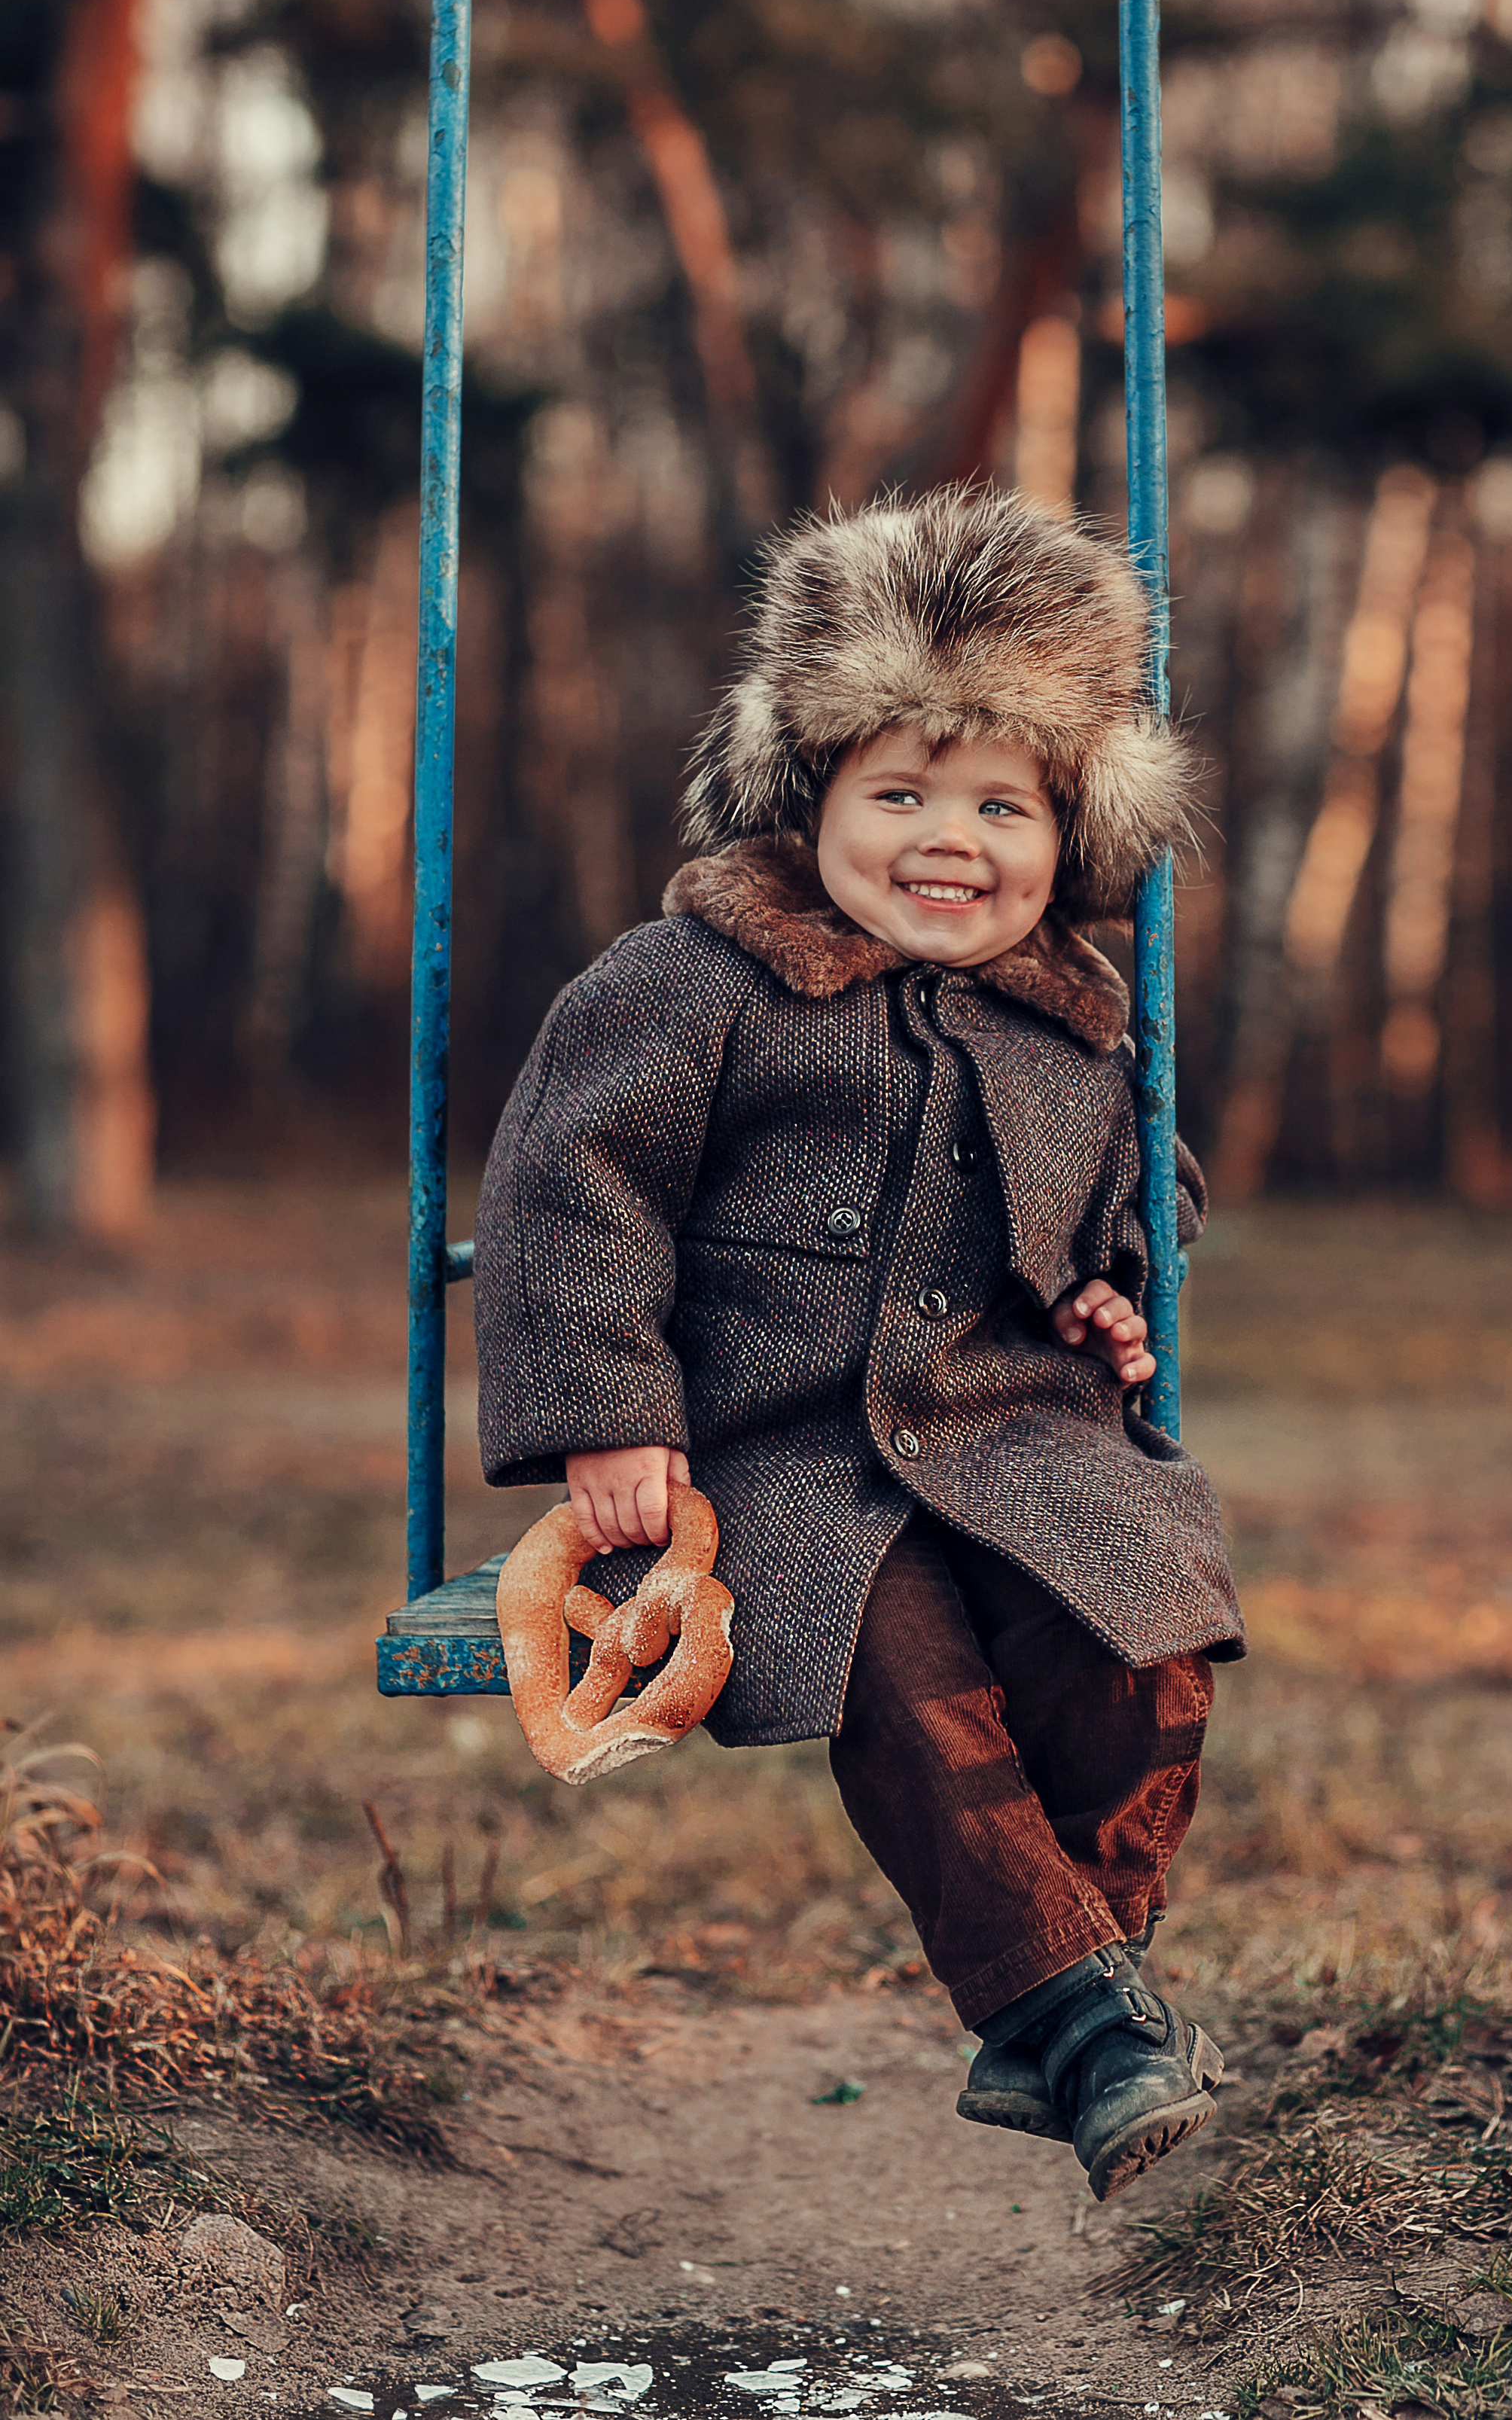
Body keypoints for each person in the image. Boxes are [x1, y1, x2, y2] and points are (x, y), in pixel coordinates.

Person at [474, 486, 1245, 2202]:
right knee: (903, 1685)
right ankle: (1089, 2019)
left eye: (999, 802)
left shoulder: (1071, 1011)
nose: (944, 836)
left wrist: (1118, 1272)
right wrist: (609, 1411)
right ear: (807, 795)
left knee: (1142, 1644)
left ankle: (1053, 1996)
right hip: (784, 1449)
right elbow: (565, 1183)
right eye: (895, 791)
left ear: (1070, 830)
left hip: (1015, 1425)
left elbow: (1144, 1175)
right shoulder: (697, 982)